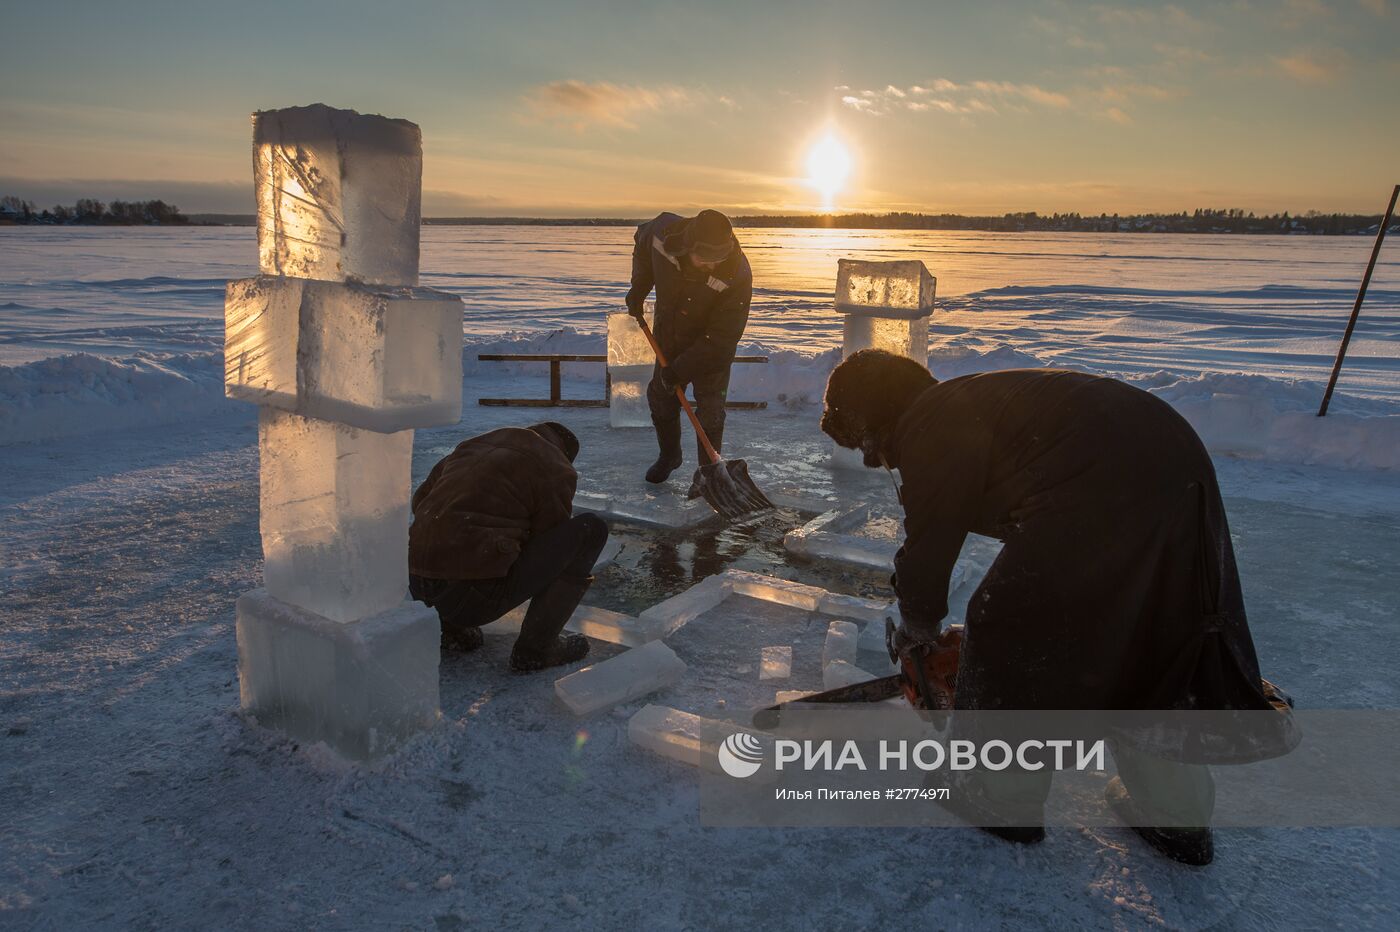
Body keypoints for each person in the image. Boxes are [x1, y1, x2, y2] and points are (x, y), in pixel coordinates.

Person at [821, 350, 1293, 865]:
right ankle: (1177, 815)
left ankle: (999, 795)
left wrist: (918, 626)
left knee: (1005, 626)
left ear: (879, 412)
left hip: (1107, 488)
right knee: (1146, 641)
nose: (873, 460)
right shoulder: (976, 400)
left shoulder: (929, 419)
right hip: (1178, 474)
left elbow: (930, 544)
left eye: (867, 443)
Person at [408, 422, 608, 672]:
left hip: (417, 591)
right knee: (591, 529)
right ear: (565, 453)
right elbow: (548, 542)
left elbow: (420, 502)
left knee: (454, 536)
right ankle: (537, 649)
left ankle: (450, 627)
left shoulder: (472, 446)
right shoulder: (554, 464)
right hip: (471, 598)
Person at [625, 209, 753, 488]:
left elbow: (723, 338)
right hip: (669, 335)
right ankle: (669, 456)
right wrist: (639, 287)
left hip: (711, 349)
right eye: (705, 259)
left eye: (718, 259)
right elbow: (641, 245)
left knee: (710, 407)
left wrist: (681, 370)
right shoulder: (662, 234)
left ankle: (709, 472)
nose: (711, 266)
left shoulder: (736, 273)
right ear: (689, 245)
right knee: (660, 396)